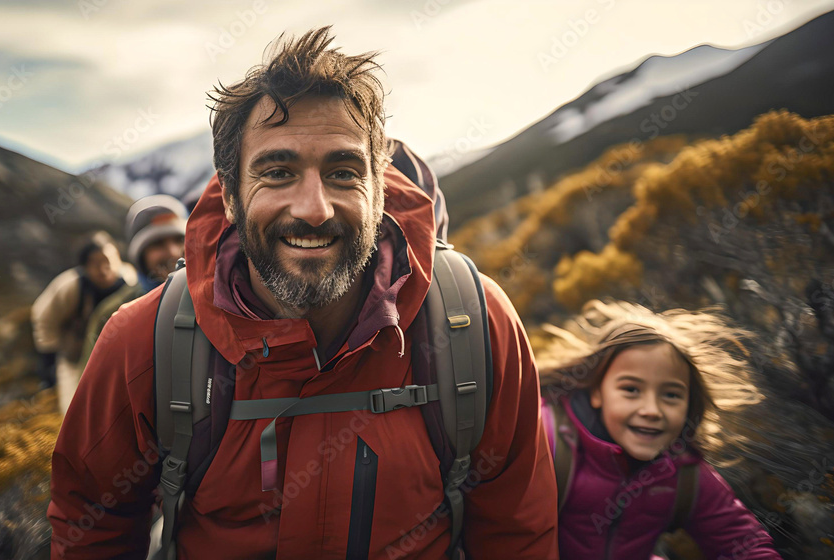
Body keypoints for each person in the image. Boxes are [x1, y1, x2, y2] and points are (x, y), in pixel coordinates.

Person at [48, 27, 559, 559]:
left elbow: (517, 532)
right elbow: (92, 528)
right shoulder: (143, 340)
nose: (313, 208)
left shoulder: (473, 323)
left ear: (379, 189)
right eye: (278, 172)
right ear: (229, 195)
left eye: (343, 172)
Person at [538, 300, 782, 560]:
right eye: (631, 390)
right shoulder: (547, 443)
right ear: (597, 391)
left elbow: (744, 543)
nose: (652, 410)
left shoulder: (683, 472)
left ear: (689, 403)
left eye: (671, 395)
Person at [30, 230, 137, 416]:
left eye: (108, 261)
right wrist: (48, 360)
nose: (104, 269)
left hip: (118, 358)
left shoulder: (131, 281)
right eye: (95, 264)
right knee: (74, 410)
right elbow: (44, 318)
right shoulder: (69, 287)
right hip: (75, 357)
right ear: (84, 267)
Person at [77, 195, 187, 370]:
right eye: (157, 243)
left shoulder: (218, 297)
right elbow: (91, 389)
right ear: (140, 256)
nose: (173, 252)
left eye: (179, 240)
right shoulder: (111, 315)